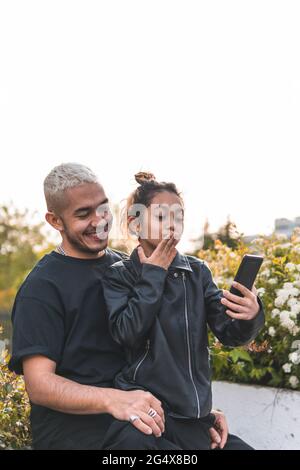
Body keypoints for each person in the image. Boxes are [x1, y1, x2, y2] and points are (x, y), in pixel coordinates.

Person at [8, 163, 228, 450]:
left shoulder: (128, 267)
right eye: (83, 214)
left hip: (145, 417)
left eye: (103, 208)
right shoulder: (42, 288)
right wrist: (115, 400)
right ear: (55, 221)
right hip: (82, 434)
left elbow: (154, 353)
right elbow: (40, 386)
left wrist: (195, 413)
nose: (99, 220)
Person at [102, 172, 265, 450]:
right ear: (135, 223)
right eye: (162, 217)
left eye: (178, 217)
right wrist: (153, 274)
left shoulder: (197, 271)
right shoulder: (120, 275)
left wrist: (250, 315)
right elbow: (127, 333)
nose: (172, 226)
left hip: (195, 418)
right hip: (147, 417)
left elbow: (229, 334)